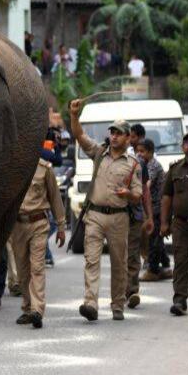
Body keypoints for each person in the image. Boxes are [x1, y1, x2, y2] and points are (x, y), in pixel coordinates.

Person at [70, 99, 142, 321]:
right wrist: (74, 115)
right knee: (91, 259)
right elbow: (80, 136)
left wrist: (128, 194)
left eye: (119, 133)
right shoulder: (99, 153)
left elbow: (138, 195)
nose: (114, 136)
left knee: (119, 263)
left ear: (128, 138)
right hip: (95, 216)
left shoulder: (133, 164)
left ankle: (117, 305)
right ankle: (90, 303)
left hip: (119, 218)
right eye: (112, 132)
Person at [11, 158, 67, 328]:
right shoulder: (14, 167)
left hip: (38, 222)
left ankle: (37, 309)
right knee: (22, 270)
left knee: (37, 267)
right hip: (18, 225)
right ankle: (28, 308)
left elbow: (55, 197)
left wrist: (61, 226)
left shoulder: (45, 168)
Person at [161, 131, 188, 316]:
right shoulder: (175, 169)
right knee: (180, 262)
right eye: (187, 142)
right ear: (182, 147)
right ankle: (179, 300)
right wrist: (164, 222)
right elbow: (166, 196)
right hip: (180, 223)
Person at [125, 123, 153, 309]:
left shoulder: (139, 162)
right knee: (120, 255)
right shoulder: (107, 158)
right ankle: (119, 291)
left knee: (133, 255)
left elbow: (144, 190)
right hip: (114, 215)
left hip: (134, 215)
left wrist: (149, 216)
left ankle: (132, 291)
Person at [136, 138, 171, 282]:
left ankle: (153, 270)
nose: (139, 154)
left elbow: (146, 185)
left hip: (157, 207)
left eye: (142, 152)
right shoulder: (143, 164)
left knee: (153, 239)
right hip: (151, 207)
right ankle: (166, 265)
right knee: (156, 237)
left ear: (150, 152)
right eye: (138, 151)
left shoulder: (153, 166)